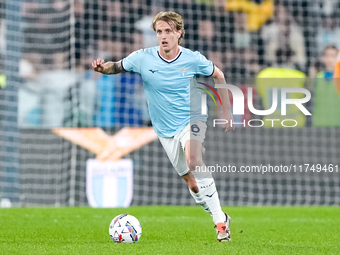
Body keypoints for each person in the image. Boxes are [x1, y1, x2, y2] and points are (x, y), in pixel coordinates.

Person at [92, 11, 234, 242]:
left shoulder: (192, 58)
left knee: (194, 160)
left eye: (168, 31)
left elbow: (219, 74)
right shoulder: (143, 58)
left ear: (179, 33)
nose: (163, 36)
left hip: (192, 118)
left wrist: (226, 109)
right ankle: (220, 214)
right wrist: (102, 67)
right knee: (193, 184)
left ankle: (220, 225)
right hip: (164, 128)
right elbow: (115, 66)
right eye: (159, 32)